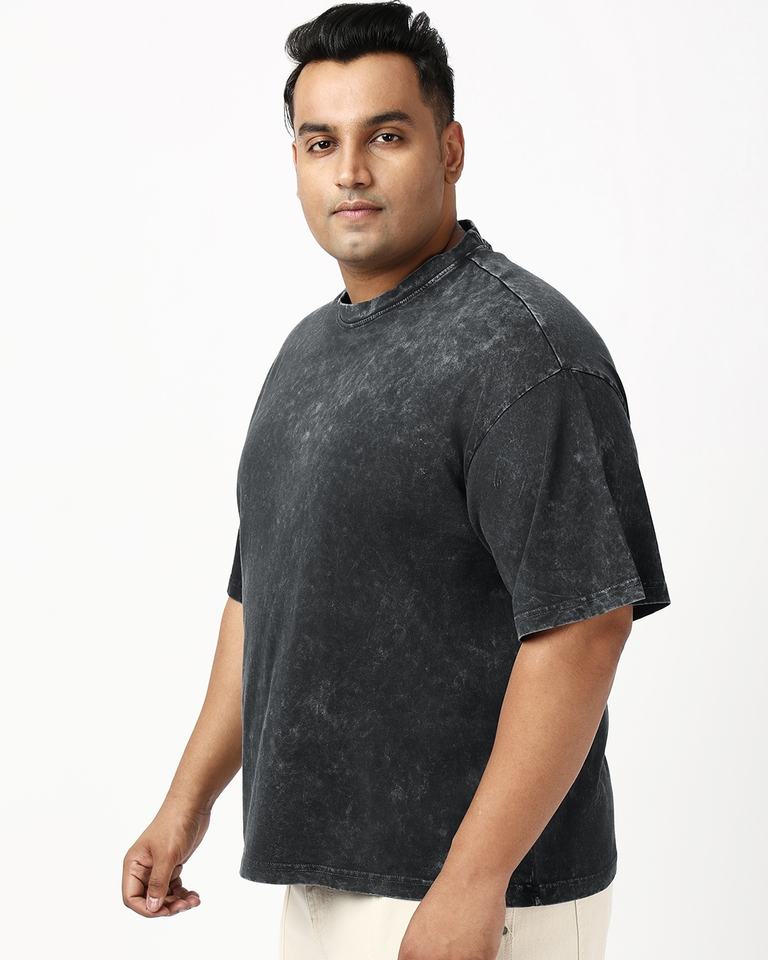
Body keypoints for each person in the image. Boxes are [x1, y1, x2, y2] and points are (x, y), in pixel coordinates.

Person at [121, 4, 672, 958]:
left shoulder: (524, 351)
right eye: (319, 142)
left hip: (481, 896)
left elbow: (585, 627)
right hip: (323, 882)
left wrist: (472, 883)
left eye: (385, 135)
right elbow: (261, 598)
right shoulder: (308, 353)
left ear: (449, 150)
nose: (349, 171)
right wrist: (186, 804)